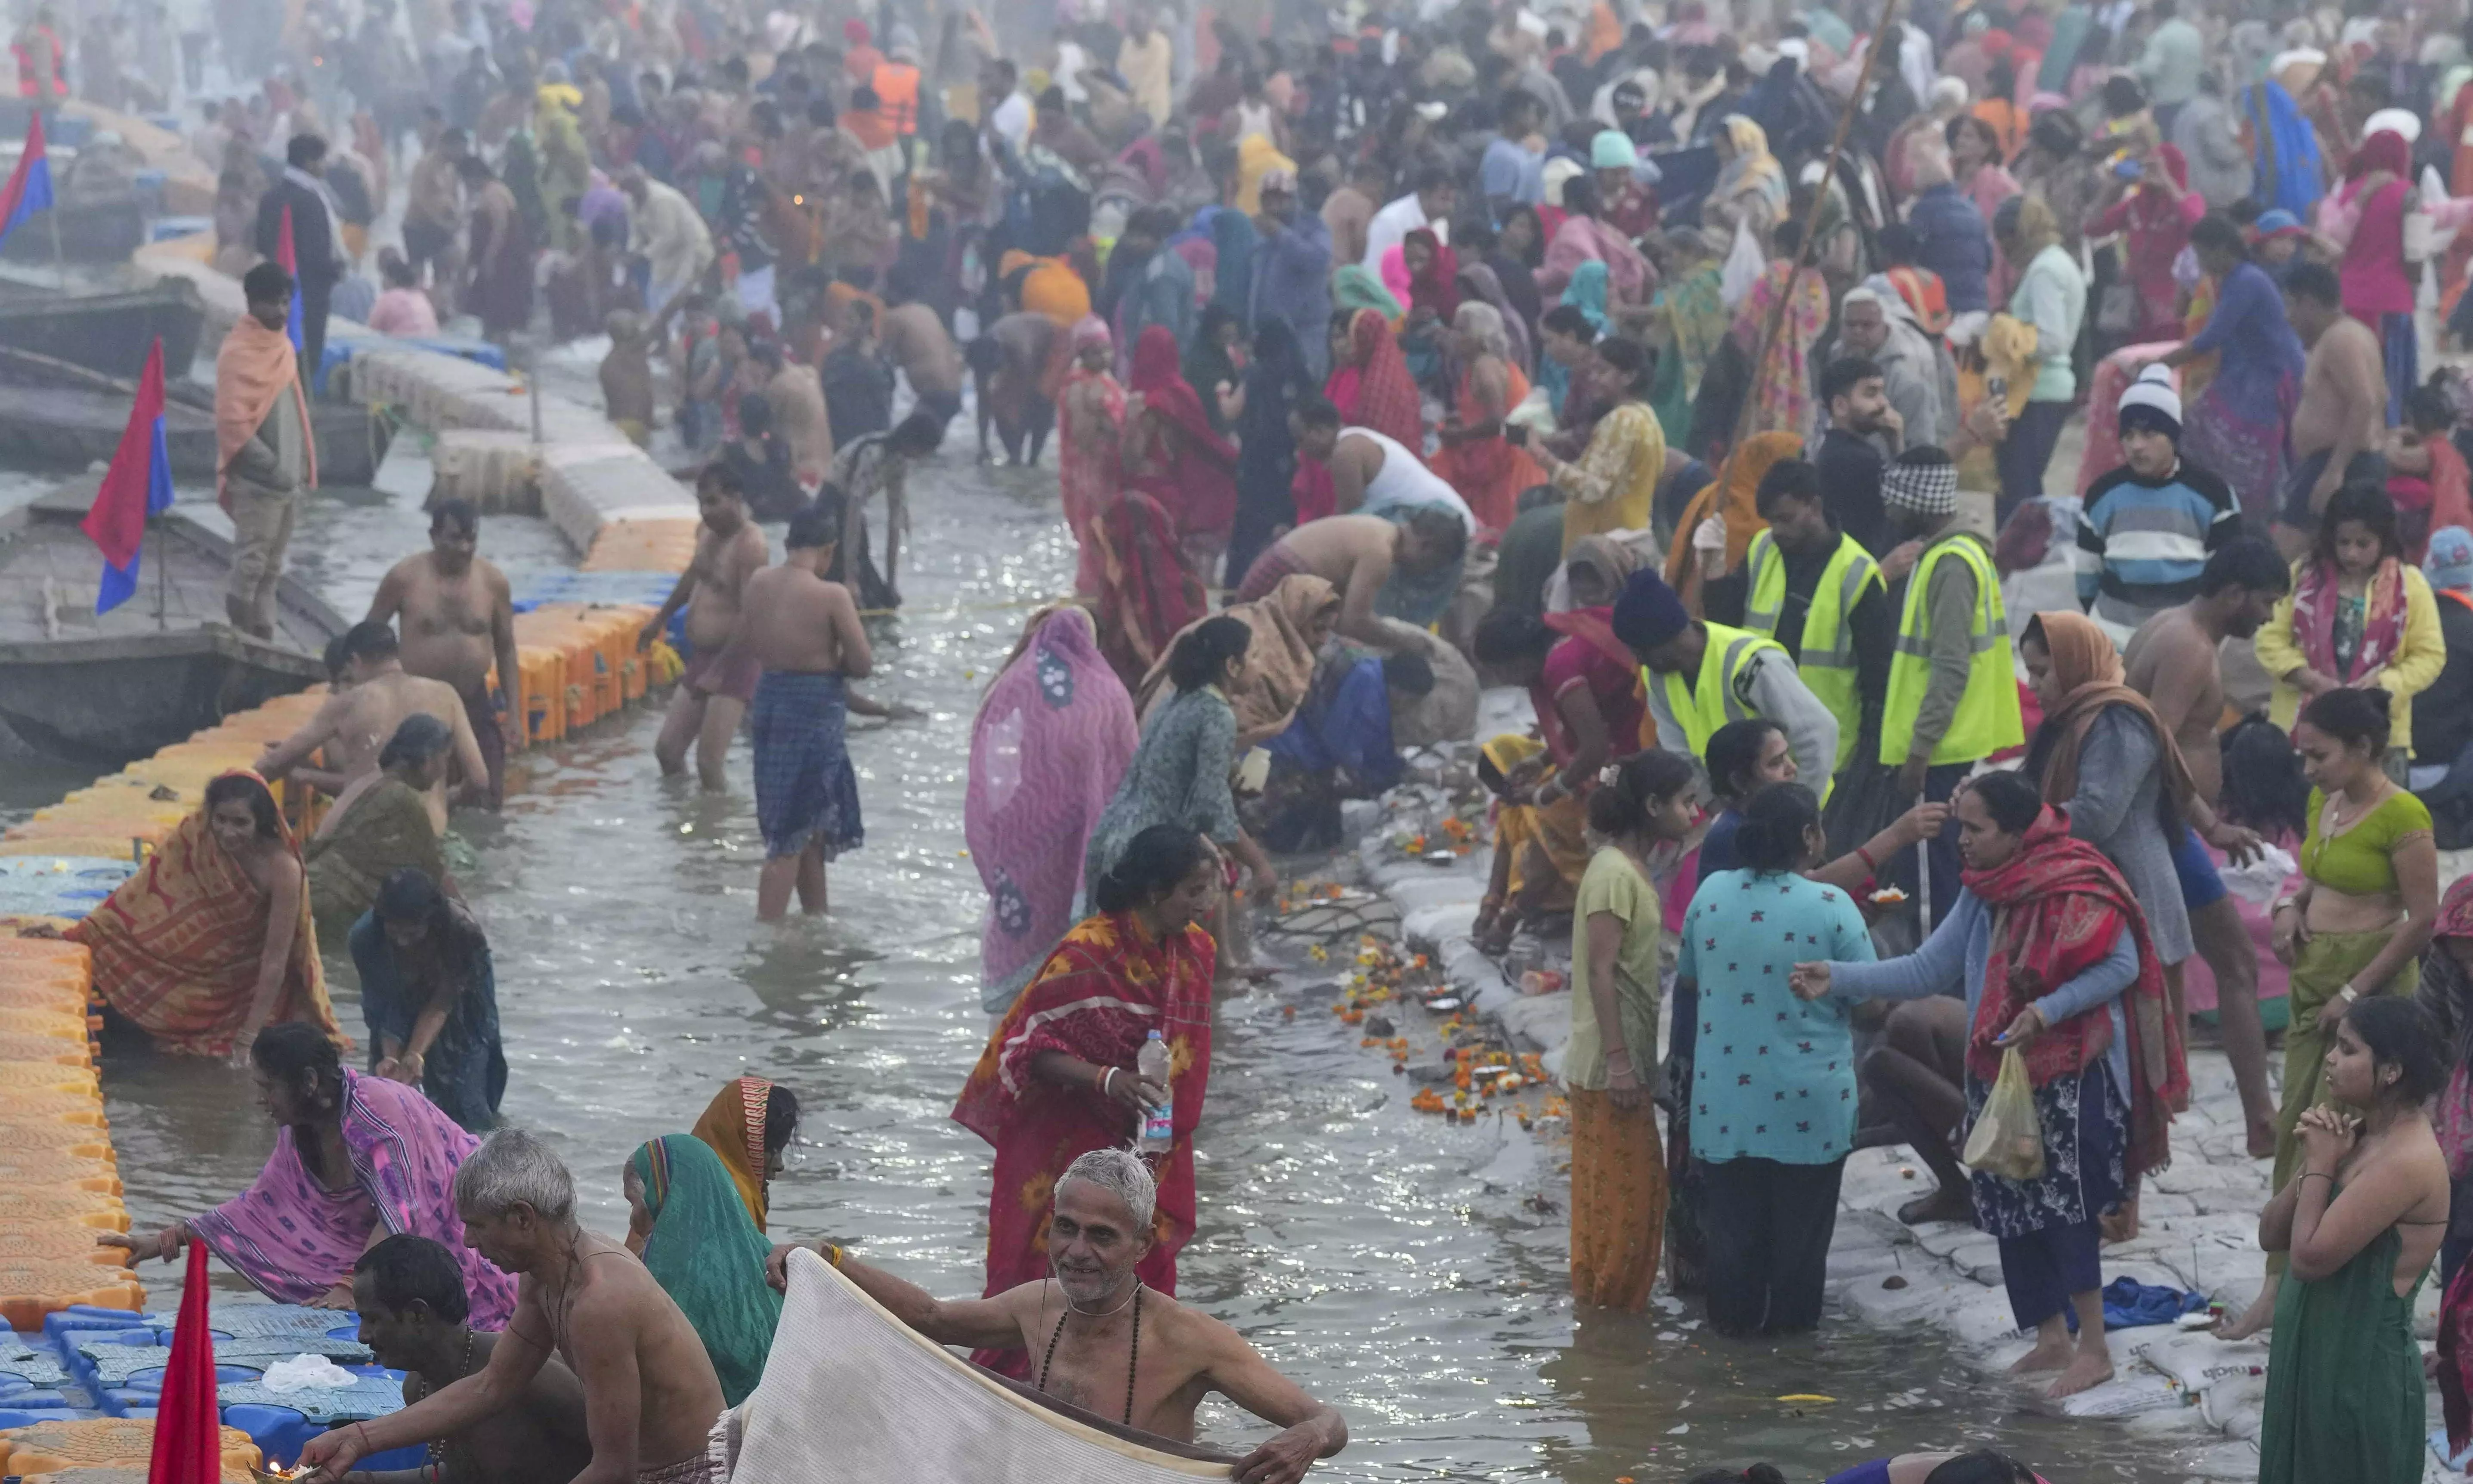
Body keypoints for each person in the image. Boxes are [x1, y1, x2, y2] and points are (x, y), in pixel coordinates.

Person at [1795, 771, 2185, 1397]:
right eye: (1962, 829)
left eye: (1975, 830)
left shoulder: (2076, 878)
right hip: (1999, 1069)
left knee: (2068, 1205)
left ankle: (2093, 1347)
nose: (1964, 843)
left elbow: (2121, 964)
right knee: (2009, 1203)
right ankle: (2048, 1337)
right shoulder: (1984, 891)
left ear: (2014, 830)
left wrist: (2046, 1011)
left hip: (2070, 1071)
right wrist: (1835, 977)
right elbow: (1928, 967)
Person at [764, 1150, 1346, 1479]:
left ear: (1142, 1245)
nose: (1076, 1252)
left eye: (1101, 1236)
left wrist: (1305, 1440)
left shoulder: (1192, 1340)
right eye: (1065, 1229)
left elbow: (1326, 1422)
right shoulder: (1036, 1305)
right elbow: (934, 1318)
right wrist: (829, 1259)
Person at [297, 1128, 728, 1484]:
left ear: (522, 1218)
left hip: (685, 1475)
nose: (467, 1241)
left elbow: (614, 1470)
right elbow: (492, 1386)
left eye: (477, 1225)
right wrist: (358, 1438)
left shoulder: (600, 1301)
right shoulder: (545, 1275)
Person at [2209, 688, 2441, 1343]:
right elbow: (2315, 874)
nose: (2306, 770)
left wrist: (2355, 994)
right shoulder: (2325, 801)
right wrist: (2289, 907)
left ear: (2363, 748)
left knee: (2339, 1126)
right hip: (2314, 979)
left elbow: (2421, 919)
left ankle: (2330, 1272)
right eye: (2303, 757)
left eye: (2318, 755)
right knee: (2296, 1126)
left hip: (2367, 985)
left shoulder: (2404, 815)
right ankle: (2274, 1284)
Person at [952, 828, 1219, 1354]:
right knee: (1050, 1271)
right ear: (1154, 890)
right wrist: (1108, 1079)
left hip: (1154, 1143)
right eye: (1192, 890)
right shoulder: (1088, 951)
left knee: (1143, 1268)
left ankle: (1129, 1389)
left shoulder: (1195, 953)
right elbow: (1026, 1046)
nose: (1202, 904)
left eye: (1206, 889)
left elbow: (1185, 1058)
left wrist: (1154, 1119)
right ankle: (1019, 1392)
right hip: (1068, 1144)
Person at [102, 1023, 514, 1324]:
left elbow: (403, 1214)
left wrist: (349, 1286)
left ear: (309, 1082)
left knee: (462, 1330)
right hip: (389, 1235)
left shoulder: (377, 1116)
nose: (261, 1101)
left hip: (454, 1219)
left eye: (268, 1089)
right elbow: (263, 1206)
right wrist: (167, 1238)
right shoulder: (300, 1133)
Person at [1676, 783, 1876, 1334]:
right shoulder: (1834, 907)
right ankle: (1791, 1384)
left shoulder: (1711, 894)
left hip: (1726, 1106)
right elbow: (1872, 1004)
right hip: (1808, 1106)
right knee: (1800, 1257)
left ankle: (1732, 1388)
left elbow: (1691, 978)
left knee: (1733, 1250)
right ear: (1810, 836)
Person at [2123, 539, 2297, 1156]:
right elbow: (2149, 747)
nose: (2268, 617)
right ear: (2233, 595)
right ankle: (2257, 1120)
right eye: (2266, 603)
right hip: (2164, 827)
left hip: (2166, 826)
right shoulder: (2189, 648)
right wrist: (2209, 824)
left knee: (2178, 965)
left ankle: (2188, 1104)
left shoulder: (2168, 626)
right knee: (2233, 965)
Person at [2256, 998, 2451, 1484]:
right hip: (2312, 1360)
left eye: (2347, 1049)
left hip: (2359, 1377)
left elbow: (2307, 1258)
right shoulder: (2361, 1135)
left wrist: (2323, 1164)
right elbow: (2271, 1234)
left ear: (2390, 1071)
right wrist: (2316, 1163)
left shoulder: (2408, 1158)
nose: (2330, 1059)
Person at [68, 771, 338, 1060]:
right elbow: (139, 897)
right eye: (220, 819)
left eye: (240, 823)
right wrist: (85, 933)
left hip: (248, 987)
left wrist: (247, 1039)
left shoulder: (282, 869)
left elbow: (276, 960)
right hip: (192, 973)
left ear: (261, 822)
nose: (227, 832)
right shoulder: (195, 840)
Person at [1567, 750, 1697, 1310]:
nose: (1694, 811)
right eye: (1685, 801)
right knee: (1629, 1203)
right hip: (1606, 1066)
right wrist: (1620, 1060)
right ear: (1651, 806)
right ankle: (1612, 1331)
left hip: (1619, 1061)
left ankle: (1607, 1320)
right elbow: (1600, 970)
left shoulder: (1630, 867)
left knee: (1622, 1199)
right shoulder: (1614, 876)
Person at [967, 607, 1140, 1018]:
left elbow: (988, 759)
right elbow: (1128, 769)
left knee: (1024, 928)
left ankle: (1011, 1041)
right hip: (1080, 834)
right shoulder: (1107, 689)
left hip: (1024, 834)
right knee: (1073, 932)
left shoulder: (1012, 683)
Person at [1877, 447, 2025, 917]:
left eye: (1896, 499)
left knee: (1931, 886)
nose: (1889, 510)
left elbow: (1950, 666)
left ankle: (1940, 987)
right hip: (1950, 745)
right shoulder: (1951, 554)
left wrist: (1919, 749)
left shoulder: (1951, 564)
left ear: (1919, 501)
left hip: (1940, 750)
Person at [350, 1234, 592, 1484]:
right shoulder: (417, 1389)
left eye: (373, 1319)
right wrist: (361, 1480)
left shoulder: (533, 1376)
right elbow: (470, 1474)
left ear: (417, 1315)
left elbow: (624, 1463)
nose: (362, 1336)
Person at [2254, 484, 2445, 781]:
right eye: (2343, 542)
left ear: (2384, 540)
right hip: (2302, 733)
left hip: (2380, 739)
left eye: (2363, 544)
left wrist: (2384, 684)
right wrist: (2311, 680)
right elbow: (2269, 638)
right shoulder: (2302, 576)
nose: (2351, 554)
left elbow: (2430, 655)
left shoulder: (2411, 586)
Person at [736, 504, 872, 921]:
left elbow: (751, 642)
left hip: (770, 700)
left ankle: (817, 919)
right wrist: (831, 658)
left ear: (788, 543)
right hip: (813, 711)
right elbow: (863, 664)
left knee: (802, 828)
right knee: (790, 836)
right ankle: (768, 935)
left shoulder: (759, 582)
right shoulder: (832, 595)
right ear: (828, 550)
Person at [1085, 620, 1276, 905]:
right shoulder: (1217, 714)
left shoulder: (1178, 699)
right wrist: (1259, 865)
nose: (1260, 667)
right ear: (1232, 665)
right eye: (1255, 657)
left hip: (1113, 836)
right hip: (1151, 853)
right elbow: (1212, 807)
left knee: (1112, 944)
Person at [1615, 568, 1839, 794]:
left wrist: (1801, 805)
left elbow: (1818, 734)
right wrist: (1714, 806)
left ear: (1665, 639)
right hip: (1743, 811)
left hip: (1805, 805)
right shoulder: (1658, 679)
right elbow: (1681, 756)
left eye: (1641, 652)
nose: (1640, 662)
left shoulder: (1751, 665)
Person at [2147, 213, 2308, 522]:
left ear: (2222, 249)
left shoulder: (2246, 281)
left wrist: (2160, 365)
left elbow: (2210, 338)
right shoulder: (2234, 280)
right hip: (2249, 373)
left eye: (2203, 254)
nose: (2201, 261)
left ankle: (2250, 516)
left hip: (2272, 376)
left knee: (2234, 445)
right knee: (2200, 426)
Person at [258, 621, 488, 833]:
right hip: (429, 834)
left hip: (369, 838)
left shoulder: (348, 704)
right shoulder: (445, 694)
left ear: (355, 661)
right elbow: (479, 780)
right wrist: (442, 801)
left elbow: (274, 762)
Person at [1741, 456, 1890, 782]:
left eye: (1786, 519)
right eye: (1771, 522)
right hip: (1762, 748)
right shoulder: (1762, 550)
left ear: (1814, 506)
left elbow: (1878, 675)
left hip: (1829, 755)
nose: (1777, 531)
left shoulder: (1857, 573)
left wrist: (1870, 755)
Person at [365, 499, 521, 808]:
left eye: (471, 539)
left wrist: (515, 715)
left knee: (486, 795)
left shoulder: (493, 582)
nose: (464, 548)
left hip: (475, 701)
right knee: (418, 800)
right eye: (455, 539)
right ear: (434, 536)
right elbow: (370, 639)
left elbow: (506, 648)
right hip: (417, 705)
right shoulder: (404, 578)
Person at [2075, 367, 2239, 635]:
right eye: (2128, 436)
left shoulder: (2213, 494)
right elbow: (2087, 575)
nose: (2137, 446)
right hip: (2114, 639)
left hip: (2185, 642)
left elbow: (2227, 573)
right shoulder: (2102, 495)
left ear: (2173, 437)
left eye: (2149, 435)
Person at [622, 1134, 783, 1407]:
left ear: (661, 1199)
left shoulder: (665, 1283)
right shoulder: (769, 1256)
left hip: (717, 1439)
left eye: (633, 1202)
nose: (633, 1217)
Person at [640, 465, 770, 791]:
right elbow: (693, 576)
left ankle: (718, 831)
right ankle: (686, 827)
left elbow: (750, 615)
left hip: (735, 661)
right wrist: (660, 618)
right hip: (703, 656)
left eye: (713, 502)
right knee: (668, 752)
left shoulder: (751, 546)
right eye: (701, 503)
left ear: (736, 499)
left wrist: (719, 672)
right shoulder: (705, 533)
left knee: (709, 763)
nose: (706, 512)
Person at [351, 866, 504, 1132]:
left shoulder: (463, 933)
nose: (403, 942)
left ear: (432, 922)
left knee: (468, 1099)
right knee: (390, 1092)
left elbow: (444, 1001)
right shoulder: (365, 938)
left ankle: (476, 1162)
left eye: (412, 933)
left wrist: (415, 1055)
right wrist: (393, 1058)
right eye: (395, 931)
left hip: (463, 1006)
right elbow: (383, 1003)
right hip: (395, 1001)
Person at [218, 262, 316, 640]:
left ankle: (264, 635)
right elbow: (232, 425)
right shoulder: (238, 351)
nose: (281, 311)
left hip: (287, 481)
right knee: (251, 564)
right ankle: (240, 637)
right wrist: (272, 467)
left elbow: (296, 413)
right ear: (251, 303)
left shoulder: (283, 347)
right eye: (272, 303)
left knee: (273, 568)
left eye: (286, 302)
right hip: (260, 483)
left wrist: (300, 467)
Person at [305, 714, 452, 938]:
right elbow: (436, 874)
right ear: (427, 759)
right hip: (335, 901)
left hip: (314, 888)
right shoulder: (406, 800)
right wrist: (469, 924)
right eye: (444, 759)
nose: (444, 770)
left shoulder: (375, 785)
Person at [1514, 337, 1664, 552]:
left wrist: (1541, 455)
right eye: (1593, 371)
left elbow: (1591, 489)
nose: (1593, 378)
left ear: (1629, 377)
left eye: (1602, 371)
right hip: (1627, 538)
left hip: (1603, 550)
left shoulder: (1622, 420)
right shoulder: (1646, 416)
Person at [2279, 262, 2388, 555]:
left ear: (2309, 303)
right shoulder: (2351, 334)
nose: (2289, 318)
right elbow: (2381, 397)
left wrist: (2334, 471)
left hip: (2341, 462)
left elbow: (2364, 401)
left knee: (2284, 559)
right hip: (2343, 460)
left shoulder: (2341, 338)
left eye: (2291, 306)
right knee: (2322, 559)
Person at [1991, 196, 2087, 521]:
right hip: (2042, 390)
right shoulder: (2057, 262)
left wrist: (2005, 336)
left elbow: (2052, 339)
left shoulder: (2045, 270)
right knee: (2021, 486)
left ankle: (2020, 560)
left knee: (2018, 493)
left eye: (2007, 243)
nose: (2006, 253)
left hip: (2038, 391)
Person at [2320, 127, 2418, 425]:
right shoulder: (2407, 194)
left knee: (2354, 382)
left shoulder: (2347, 194)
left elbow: (2333, 241)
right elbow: (2414, 260)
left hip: (2349, 304)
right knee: (2391, 385)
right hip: (2392, 302)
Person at [1125, 325, 1241, 577]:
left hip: (1148, 498)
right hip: (1180, 496)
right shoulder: (1183, 393)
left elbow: (1132, 459)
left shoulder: (1150, 404)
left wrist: (1128, 421)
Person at [1428, 302, 1544, 533]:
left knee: (1501, 528)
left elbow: (1497, 422)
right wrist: (1459, 420)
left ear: (1479, 337)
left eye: (1461, 331)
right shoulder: (1482, 364)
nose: (1454, 336)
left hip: (1508, 460)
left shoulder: (1485, 367)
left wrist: (1459, 434)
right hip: (1506, 453)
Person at [825, 412, 948, 611]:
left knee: (882, 600)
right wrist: (850, 577)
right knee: (852, 594)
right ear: (912, 441)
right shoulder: (872, 453)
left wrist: (892, 583)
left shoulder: (899, 462)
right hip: (831, 509)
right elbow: (852, 514)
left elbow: (895, 521)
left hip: (853, 513)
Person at [2090, 142, 2206, 348]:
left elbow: (2198, 227)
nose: (2151, 173)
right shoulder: (2135, 204)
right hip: (2134, 304)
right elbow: (2092, 227)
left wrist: (2168, 182)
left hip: (2171, 304)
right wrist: (2114, 186)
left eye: (2157, 167)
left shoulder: (2189, 200)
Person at [255, 134, 346, 380]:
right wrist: (336, 271)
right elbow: (317, 255)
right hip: (308, 294)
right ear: (309, 163)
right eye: (321, 161)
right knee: (306, 358)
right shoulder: (311, 201)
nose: (324, 167)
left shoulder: (270, 198)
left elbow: (261, 243)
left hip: (272, 290)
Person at [690, 1076, 800, 1237]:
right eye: (771, 1148)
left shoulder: (685, 1176)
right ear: (740, 1143)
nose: (780, 1165)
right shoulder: (732, 1199)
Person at [458, 155, 535, 342]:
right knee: (492, 305)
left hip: (504, 261)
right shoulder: (493, 191)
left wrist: (490, 257)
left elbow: (501, 225)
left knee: (499, 305)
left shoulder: (493, 193)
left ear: (474, 177)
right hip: (502, 260)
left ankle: (499, 342)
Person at [1360, 161, 1456, 276]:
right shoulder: (1391, 222)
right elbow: (1376, 275)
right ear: (1425, 193)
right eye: (1444, 197)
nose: (1450, 205)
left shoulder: (1441, 224)